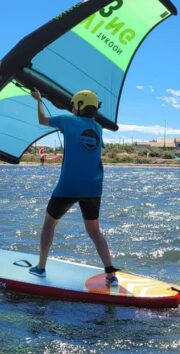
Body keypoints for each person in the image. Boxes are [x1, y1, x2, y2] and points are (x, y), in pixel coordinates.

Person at [28, 89, 118, 287]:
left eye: (73, 105)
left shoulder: (67, 121)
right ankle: (111, 274)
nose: (72, 108)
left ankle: (41, 267)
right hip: (93, 188)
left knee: (50, 223)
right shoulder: (98, 128)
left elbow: (43, 120)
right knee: (95, 231)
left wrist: (39, 99)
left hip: (68, 186)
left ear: (79, 105)